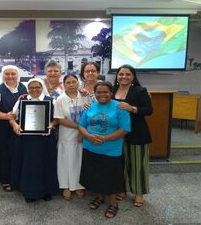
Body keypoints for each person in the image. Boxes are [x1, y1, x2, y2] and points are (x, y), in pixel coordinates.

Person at [78, 81, 130, 219]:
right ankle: (100, 198)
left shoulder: (120, 107)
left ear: (111, 92)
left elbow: (124, 129)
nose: (102, 95)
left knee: (111, 178)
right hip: (90, 148)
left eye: (105, 92)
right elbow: (81, 125)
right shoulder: (90, 107)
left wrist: (104, 138)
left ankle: (113, 204)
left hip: (111, 150)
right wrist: (88, 136)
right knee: (95, 175)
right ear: (94, 94)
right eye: (99, 92)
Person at [9, 78, 59, 203]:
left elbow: (58, 119)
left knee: (46, 163)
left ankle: (47, 190)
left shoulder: (51, 101)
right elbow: (11, 117)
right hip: (26, 140)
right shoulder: (22, 101)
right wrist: (15, 125)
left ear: (42, 88)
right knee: (29, 165)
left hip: (45, 139)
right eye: (31, 87)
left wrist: (52, 124)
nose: (35, 89)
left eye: (38, 87)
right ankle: (29, 191)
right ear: (27, 89)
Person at [112, 64, 153, 207]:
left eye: (127, 74)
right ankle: (121, 190)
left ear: (133, 76)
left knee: (137, 165)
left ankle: (139, 193)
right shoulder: (112, 90)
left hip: (137, 133)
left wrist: (132, 108)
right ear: (117, 76)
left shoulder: (140, 91)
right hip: (116, 134)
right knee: (120, 164)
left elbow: (148, 110)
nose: (124, 77)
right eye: (121, 74)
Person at [0, 65, 28, 192]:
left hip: (23, 127)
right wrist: (6, 116)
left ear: (17, 75)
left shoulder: (25, 87)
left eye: (13, 74)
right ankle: (6, 180)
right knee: (5, 154)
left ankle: (20, 178)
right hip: (3, 128)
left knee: (21, 153)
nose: (10, 76)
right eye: (7, 74)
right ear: (3, 75)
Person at [54, 74, 88, 201]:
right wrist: (80, 128)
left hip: (83, 135)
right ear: (64, 84)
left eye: (74, 82)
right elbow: (60, 119)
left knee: (79, 160)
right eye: (68, 82)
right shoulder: (60, 99)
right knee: (65, 161)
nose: (71, 84)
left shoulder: (85, 97)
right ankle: (66, 186)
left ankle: (79, 185)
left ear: (78, 83)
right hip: (66, 134)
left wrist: (82, 131)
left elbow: (91, 115)